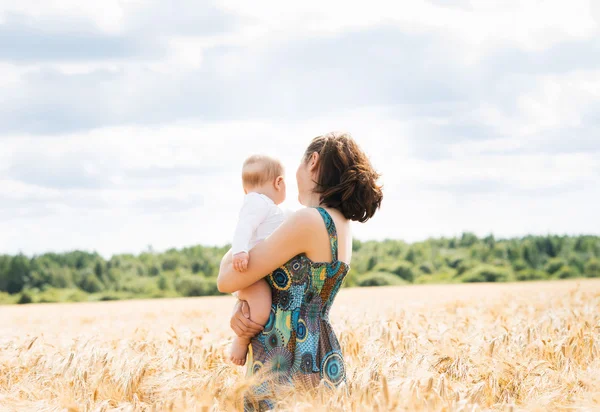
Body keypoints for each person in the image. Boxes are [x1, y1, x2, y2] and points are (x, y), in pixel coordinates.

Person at [218, 132, 383, 411]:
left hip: (284, 354)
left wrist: (250, 225)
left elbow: (226, 278)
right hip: (320, 348)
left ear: (313, 162)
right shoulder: (340, 224)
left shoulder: (307, 220)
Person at [229, 155, 287, 366]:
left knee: (258, 306)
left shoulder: (268, 207)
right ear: (279, 182)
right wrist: (240, 252)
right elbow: (244, 226)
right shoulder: (257, 201)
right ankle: (241, 340)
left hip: (260, 274)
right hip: (251, 274)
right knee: (261, 309)